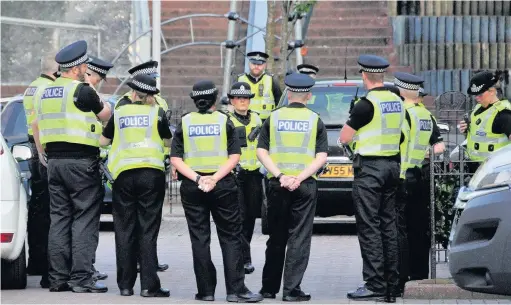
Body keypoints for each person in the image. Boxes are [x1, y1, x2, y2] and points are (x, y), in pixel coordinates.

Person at [170, 80, 263, 303]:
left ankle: (206, 291)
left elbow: (175, 159)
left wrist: (198, 178)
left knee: (199, 239)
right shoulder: (225, 121)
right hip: (222, 185)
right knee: (231, 237)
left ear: (195, 100)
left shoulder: (185, 122)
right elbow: (235, 156)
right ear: (214, 100)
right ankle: (236, 290)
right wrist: (215, 178)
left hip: (193, 186)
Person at [32, 40, 111, 293]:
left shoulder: (44, 91)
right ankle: (81, 279)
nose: (87, 69)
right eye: (84, 66)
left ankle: (57, 279)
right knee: (84, 220)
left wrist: (44, 155)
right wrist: (95, 93)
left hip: (54, 163)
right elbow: (105, 116)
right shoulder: (82, 91)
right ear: (77, 68)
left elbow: (36, 126)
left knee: (59, 220)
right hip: (81, 163)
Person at [99, 74, 172, 297]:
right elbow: (168, 141)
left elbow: (103, 141)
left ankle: (125, 286)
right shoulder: (157, 113)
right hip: (151, 176)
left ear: (132, 93)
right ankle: (150, 286)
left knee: (124, 230)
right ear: (150, 96)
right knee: (147, 230)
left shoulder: (119, 113)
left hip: (123, 177)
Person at [257, 73, 328, 302]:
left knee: (276, 237)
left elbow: (261, 151)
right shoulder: (315, 119)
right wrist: (299, 177)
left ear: (287, 94)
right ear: (308, 96)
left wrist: (280, 175)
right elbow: (321, 157)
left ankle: (268, 289)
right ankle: (291, 290)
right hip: (304, 185)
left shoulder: (273, 118)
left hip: (277, 185)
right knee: (299, 237)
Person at [339, 55, 404, 302]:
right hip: (392, 167)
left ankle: (375, 284)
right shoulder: (395, 100)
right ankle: (392, 283)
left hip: (370, 170)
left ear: (364, 76)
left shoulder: (365, 104)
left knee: (369, 226)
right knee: (389, 225)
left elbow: (345, 137)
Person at [114, 60, 170, 273]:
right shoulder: (122, 104)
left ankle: (149, 262)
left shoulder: (160, 102)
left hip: (154, 163)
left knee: (148, 223)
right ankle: (138, 264)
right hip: (131, 167)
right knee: (136, 223)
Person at [393, 72, 445, 293]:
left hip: (402, 177)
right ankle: (419, 274)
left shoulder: (402, 113)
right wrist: (425, 153)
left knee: (399, 229)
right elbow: (439, 146)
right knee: (419, 228)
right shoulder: (426, 115)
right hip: (422, 177)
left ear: (401, 92)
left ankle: (400, 277)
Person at [23, 54, 58, 288]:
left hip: (32, 148)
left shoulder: (31, 87)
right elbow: (39, 123)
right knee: (49, 211)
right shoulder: (48, 89)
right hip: (43, 148)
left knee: (37, 208)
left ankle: (36, 260)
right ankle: (48, 266)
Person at [226, 82, 263, 275]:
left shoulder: (257, 118)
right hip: (235, 175)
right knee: (238, 217)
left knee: (250, 217)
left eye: (246, 98)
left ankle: (244, 252)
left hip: (254, 174)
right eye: (239, 98)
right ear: (232, 100)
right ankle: (243, 257)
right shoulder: (227, 120)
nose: (243, 101)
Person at [84, 55, 114, 282]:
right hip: (87, 164)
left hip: (61, 161)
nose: (101, 82)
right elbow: (106, 116)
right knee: (87, 221)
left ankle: (61, 272)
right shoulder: (88, 93)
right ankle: (86, 269)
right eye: (101, 78)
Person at [458, 70, 511, 173]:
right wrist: (466, 131)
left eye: (480, 94)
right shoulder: (478, 108)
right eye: (475, 95)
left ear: (492, 91)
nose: (477, 98)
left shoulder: (503, 114)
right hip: (476, 170)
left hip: (494, 173)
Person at [237, 51, 282, 120]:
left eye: (259, 64)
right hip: (244, 121)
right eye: (253, 63)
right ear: (249, 64)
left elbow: (280, 104)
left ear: (264, 65)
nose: (256, 66)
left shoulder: (271, 80)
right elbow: (232, 103)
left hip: (266, 123)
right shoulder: (240, 79)